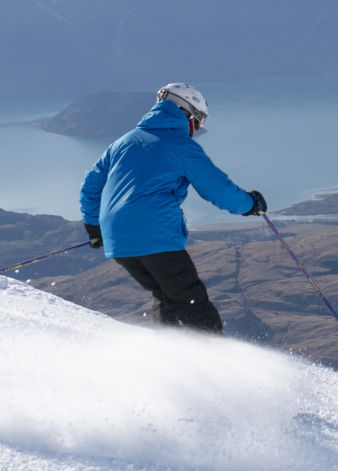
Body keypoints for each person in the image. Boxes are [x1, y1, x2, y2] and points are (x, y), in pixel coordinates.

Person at [79, 83, 267, 333]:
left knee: (166, 294)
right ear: (187, 113)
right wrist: (250, 205)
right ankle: (215, 362)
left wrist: (94, 227)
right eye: (198, 122)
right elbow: (217, 189)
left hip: (118, 242)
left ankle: (170, 355)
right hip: (156, 236)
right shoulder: (180, 145)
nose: (198, 129)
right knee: (191, 301)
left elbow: (91, 188)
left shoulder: (122, 143)